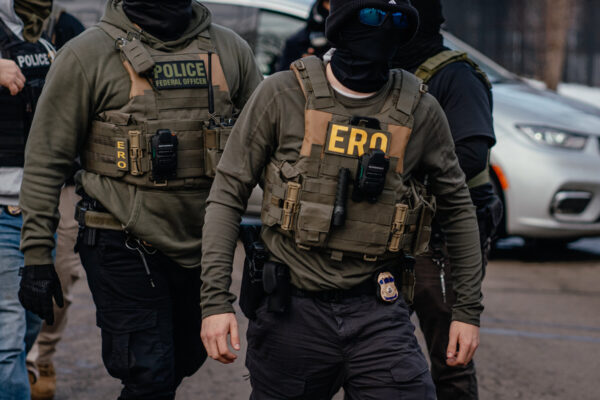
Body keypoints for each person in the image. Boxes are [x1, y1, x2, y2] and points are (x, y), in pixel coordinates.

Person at [200, 0, 483, 398]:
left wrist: (466, 312)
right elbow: (227, 195)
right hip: (292, 311)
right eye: (371, 15)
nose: (383, 29)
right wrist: (215, 303)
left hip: (379, 310)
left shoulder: (420, 109)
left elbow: (458, 209)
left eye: (397, 20)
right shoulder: (283, 94)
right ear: (343, 23)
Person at [18, 0, 262, 398]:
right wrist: (36, 258)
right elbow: (45, 162)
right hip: (119, 238)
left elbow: (266, 146)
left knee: (183, 360)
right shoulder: (87, 53)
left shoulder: (229, 49)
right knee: (149, 373)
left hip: (202, 242)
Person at [392, 1, 503, 399]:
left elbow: (471, 154)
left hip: (443, 237)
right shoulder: (386, 70)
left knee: (450, 356)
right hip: (396, 230)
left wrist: (394, 167)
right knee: (376, 347)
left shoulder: (455, 75)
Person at [24, 8, 86, 400]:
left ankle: (40, 357)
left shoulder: (65, 27)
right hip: (6, 172)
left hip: (61, 180)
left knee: (60, 273)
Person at [0, 1, 55, 399]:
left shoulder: (40, 35)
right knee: (8, 338)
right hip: (2, 208)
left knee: (31, 322)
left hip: (39, 207)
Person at [278, 0, 330, 71]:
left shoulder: (341, 43)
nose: (330, 7)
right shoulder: (296, 42)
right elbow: (283, 74)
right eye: (328, 3)